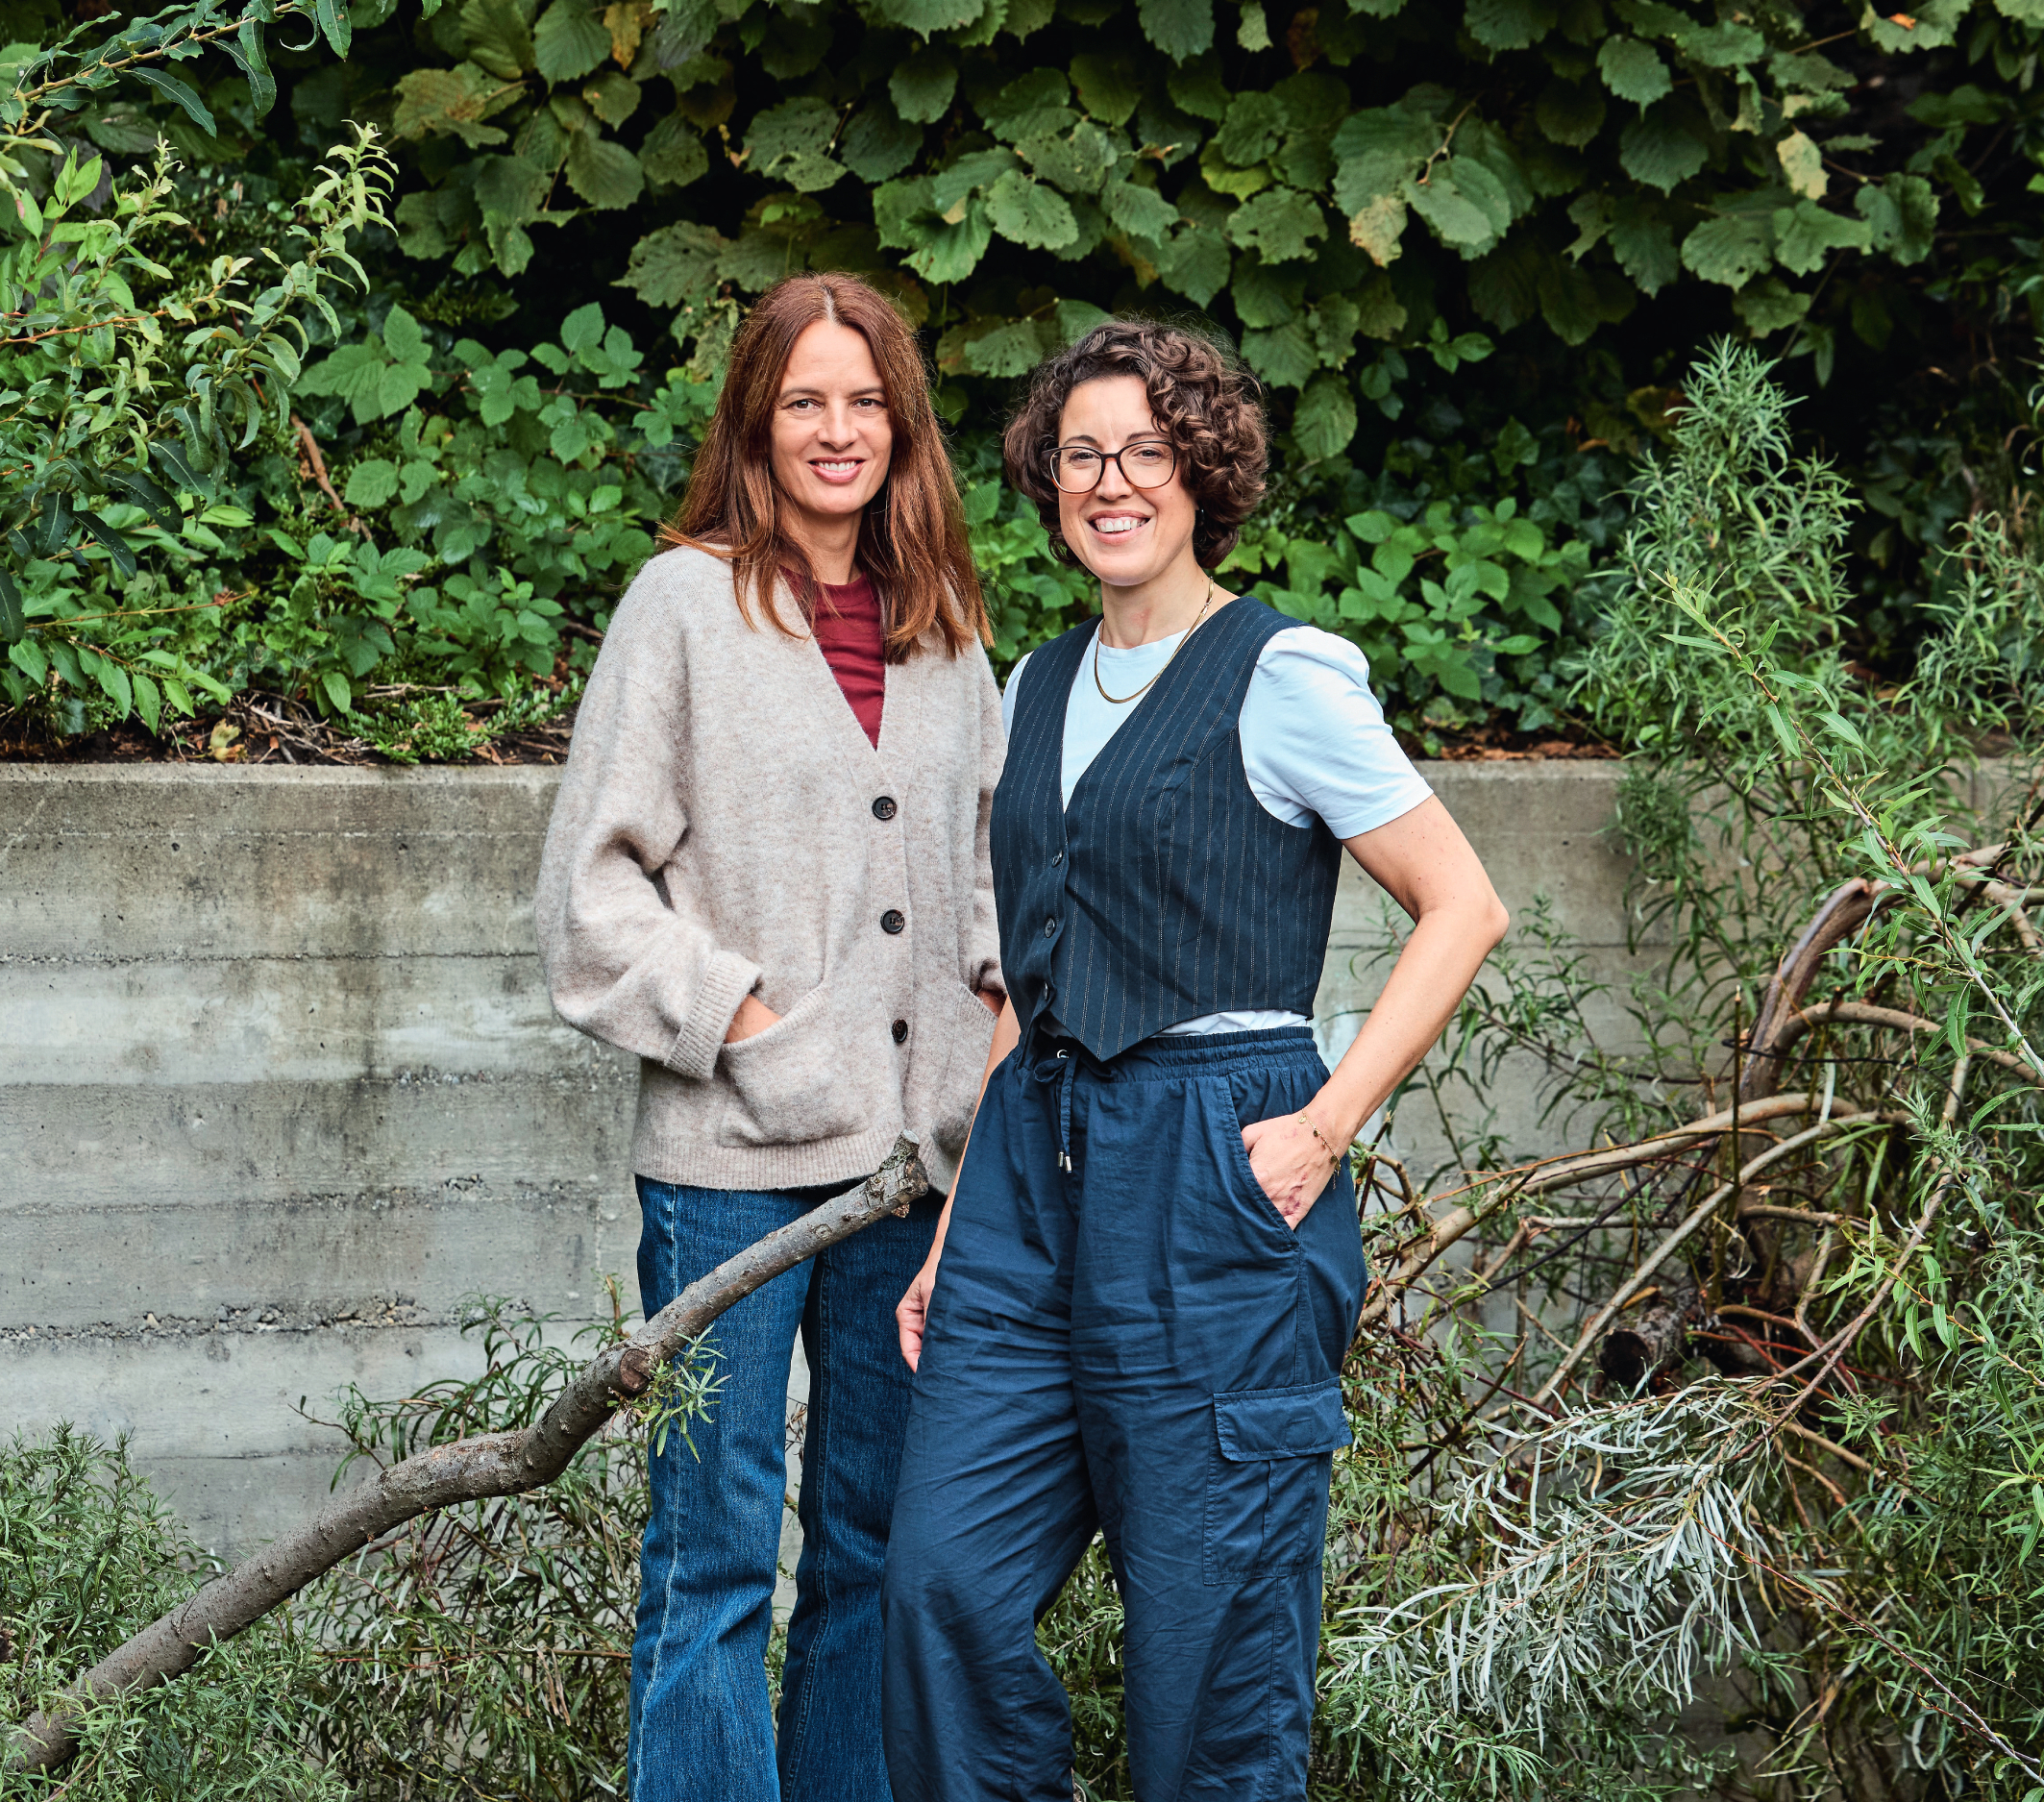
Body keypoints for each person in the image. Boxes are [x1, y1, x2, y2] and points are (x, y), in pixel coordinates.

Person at [881, 320, 1509, 1800]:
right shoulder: (1034, 684)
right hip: (1034, 1181)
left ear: (1202, 471)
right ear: (1049, 476)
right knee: (938, 1589)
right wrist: (956, 1241)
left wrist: (1324, 1126)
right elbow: (1026, 998)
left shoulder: (1284, 673)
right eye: (1083, 454)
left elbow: (1462, 905)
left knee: (1204, 1667)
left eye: (1146, 453)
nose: (1111, 483)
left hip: (1213, 1177)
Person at [537, 272, 1005, 1802]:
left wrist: (982, 1052)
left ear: (904, 426)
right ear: (755, 419)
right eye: (805, 398)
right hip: (729, 1167)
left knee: (877, 1550)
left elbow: (999, 875)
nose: (837, 429)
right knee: (715, 1551)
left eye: (866, 401)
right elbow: (589, 895)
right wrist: (746, 1022)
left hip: (915, 1177)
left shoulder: (948, 633)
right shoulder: (681, 606)